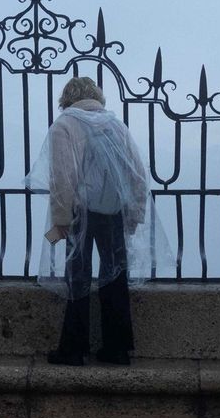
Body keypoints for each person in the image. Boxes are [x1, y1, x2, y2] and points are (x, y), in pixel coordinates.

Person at [26, 76, 159, 366]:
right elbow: (136, 172)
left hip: (80, 212)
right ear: (96, 97)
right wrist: (135, 215)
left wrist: (60, 221)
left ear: (66, 99)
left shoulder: (65, 125)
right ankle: (117, 349)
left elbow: (63, 177)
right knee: (115, 277)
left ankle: (73, 349)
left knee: (78, 278)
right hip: (114, 212)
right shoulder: (114, 124)